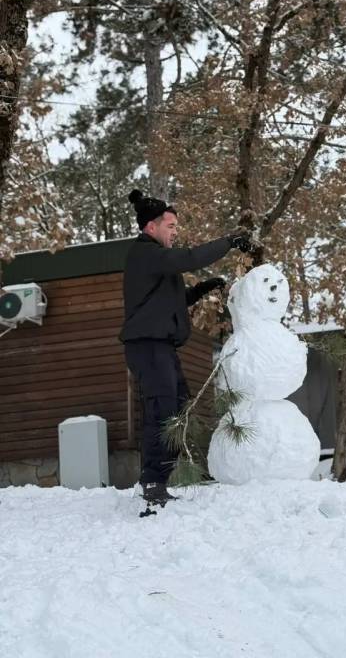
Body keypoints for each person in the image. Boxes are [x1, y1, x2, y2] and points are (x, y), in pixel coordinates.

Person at [120, 189, 252, 506]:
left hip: (161, 348)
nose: (175, 231)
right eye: (171, 225)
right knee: (163, 412)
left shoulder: (156, 263)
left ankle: (157, 481)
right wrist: (229, 241)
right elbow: (190, 258)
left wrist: (200, 290)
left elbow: (168, 302)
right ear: (151, 226)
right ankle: (152, 483)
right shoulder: (146, 253)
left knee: (178, 409)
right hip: (148, 347)